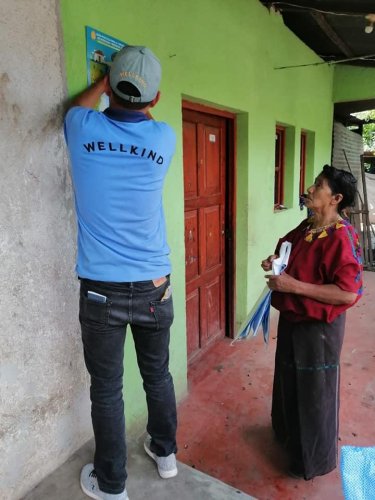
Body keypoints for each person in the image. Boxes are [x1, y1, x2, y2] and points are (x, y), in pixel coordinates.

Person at [64, 45, 178, 500]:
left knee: (107, 390)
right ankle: (165, 454)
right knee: (158, 375)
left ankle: (112, 486)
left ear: (109, 86)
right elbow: (139, 114)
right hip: (155, 284)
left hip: (101, 291)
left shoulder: (81, 126)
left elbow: (77, 106)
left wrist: (104, 84)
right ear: (155, 98)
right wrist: (126, 94)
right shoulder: (163, 138)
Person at [261, 165, 363, 480]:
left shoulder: (341, 237)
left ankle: (311, 460)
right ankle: (289, 436)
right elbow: (291, 253)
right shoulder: (309, 225)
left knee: (315, 392)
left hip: (318, 331)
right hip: (294, 319)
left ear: (335, 198)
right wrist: (276, 262)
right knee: (290, 379)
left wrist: (294, 287)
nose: (310, 187)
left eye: (318, 185)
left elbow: (347, 293)